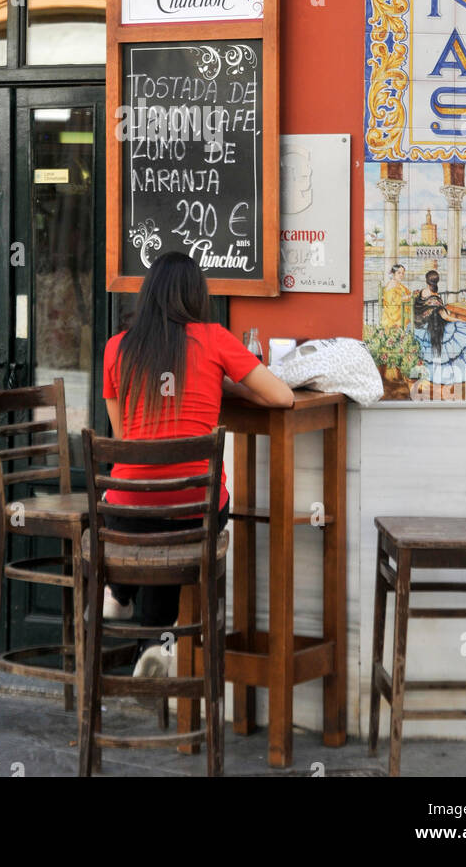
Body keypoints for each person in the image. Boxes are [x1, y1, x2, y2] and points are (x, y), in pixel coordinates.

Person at [101, 251, 292, 677]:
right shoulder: (215, 339)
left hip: (127, 514)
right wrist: (228, 386)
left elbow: (123, 438)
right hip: (194, 512)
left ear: (148, 293)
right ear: (196, 295)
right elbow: (283, 397)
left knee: (151, 518)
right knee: (177, 523)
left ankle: (123, 595)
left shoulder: (116, 348)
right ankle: (157, 641)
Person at [414, 268, 466, 385]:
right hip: (433, 328)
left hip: (421, 326)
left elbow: (420, 309)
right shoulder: (435, 298)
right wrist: (461, 320)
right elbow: (445, 317)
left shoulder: (422, 292)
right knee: (459, 331)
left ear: (426, 281)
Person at [381, 262, 412, 330]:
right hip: (392, 313)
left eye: (403, 273)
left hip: (399, 308)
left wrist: (412, 295)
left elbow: (408, 293)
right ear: (393, 273)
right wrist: (408, 297)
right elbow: (394, 301)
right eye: (399, 273)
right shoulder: (392, 284)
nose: (401, 275)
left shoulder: (399, 284)